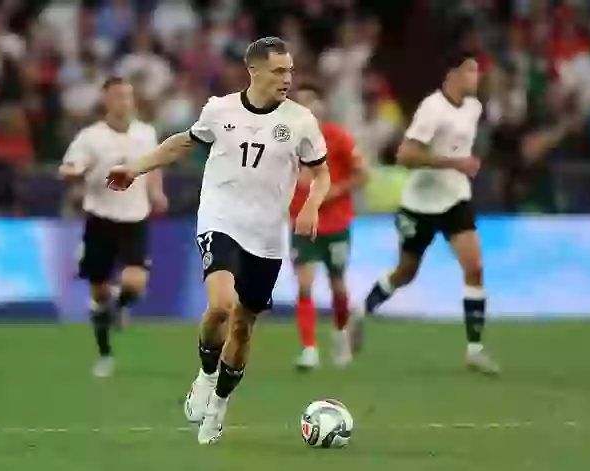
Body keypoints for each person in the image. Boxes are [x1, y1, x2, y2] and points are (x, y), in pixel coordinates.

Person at [106, 37, 330, 445]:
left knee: (242, 328)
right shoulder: (219, 109)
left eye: (290, 71)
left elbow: (322, 173)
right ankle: (206, 376)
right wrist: (135, 169)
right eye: (279, 71)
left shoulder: (301, 121)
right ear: (254, 71)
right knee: (221, 307)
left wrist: (312, 205)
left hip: (267, 235)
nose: (287, 78)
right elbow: (182, 142)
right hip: (220, 219)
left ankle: (219, 407)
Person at [351, 50, 500, 375]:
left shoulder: (473, 107)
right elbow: (405, 155)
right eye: (470, 71)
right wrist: (453, 163)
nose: (476, 78)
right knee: (406, 272)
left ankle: (475, 349)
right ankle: (361, 311)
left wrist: (460, 166)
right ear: (452, 74)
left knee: (474, 267)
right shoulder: (432, 109)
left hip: (455, 198)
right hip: (420, 204)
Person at [59, 76, 168, 378]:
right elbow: (67, 169)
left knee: (135, 283)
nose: (124, 101)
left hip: (134, 217)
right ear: (106, 100)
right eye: (118, 96)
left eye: (128, 96)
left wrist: (157, 192)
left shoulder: (146, 133)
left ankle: (119, 309)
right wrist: (76, 173)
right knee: (99, 292)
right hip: (100, 219)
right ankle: (105, 354)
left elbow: (153, 166)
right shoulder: (90, 137)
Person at [289, 83, 368, 370]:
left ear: (320, 106)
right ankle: (308, 349)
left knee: (337, 284)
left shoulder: (338, 137)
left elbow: (363, 174)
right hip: (303, 222)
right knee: (304, 284)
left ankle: (341, 334)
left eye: (310, 101)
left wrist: (334, 191)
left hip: (336, 223)